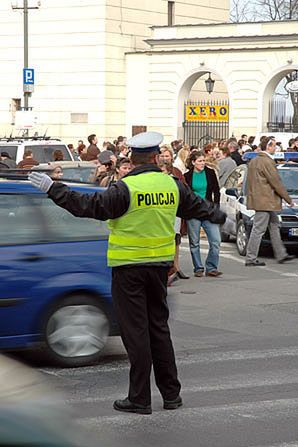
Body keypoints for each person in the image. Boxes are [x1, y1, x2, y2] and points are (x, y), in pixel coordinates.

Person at [28, 131, 226, 415]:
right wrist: (220, 216)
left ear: (131, 159)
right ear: (156, 157)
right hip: (159, 268)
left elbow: (88, 207)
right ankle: (171, 394)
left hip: (128, 269)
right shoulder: (171, 185)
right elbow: (198, 207)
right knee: (159, 330)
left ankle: (139, 398)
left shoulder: (125, 188)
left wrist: (53, 188)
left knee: (136, 334)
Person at [245, 139, 295, 266]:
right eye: (274, 146)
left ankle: (281, 254)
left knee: (274, 225)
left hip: (261, 200)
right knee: (259, 229)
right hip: (266, 201)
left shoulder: (254, 161)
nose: (276, 148)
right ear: (269, 146)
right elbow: (276, 182)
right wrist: (288, 200)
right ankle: (251, 258)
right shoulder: (267, 161)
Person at [184, 150, 222, 277]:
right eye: (200, 161)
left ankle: (211, 267)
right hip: (193, 212)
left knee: (215, 241)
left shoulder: (210, 173)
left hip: (208, 211)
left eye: (204, 160)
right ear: (193, 162)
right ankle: (198, 268)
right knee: (194, 242)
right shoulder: (187, 176)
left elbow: (216, 191)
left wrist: (216, 207)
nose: (202, 163)